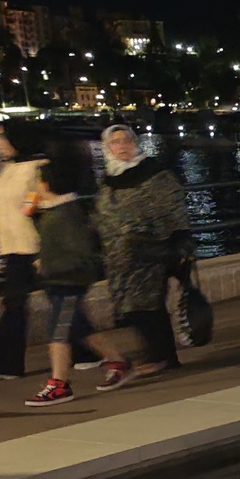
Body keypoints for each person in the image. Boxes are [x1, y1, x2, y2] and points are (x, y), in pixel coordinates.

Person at [0, 122, 99, 383]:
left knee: (24, 303)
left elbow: (51, 206)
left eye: (2, 138)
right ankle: (87, 352)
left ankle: (4, 365)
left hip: (36, 246)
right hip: (14, 246)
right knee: (57, 302)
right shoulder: (11, 167)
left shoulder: (38, 168)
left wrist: (46, 247)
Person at [24, 140, 135, 405]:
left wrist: (48, 265)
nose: (36, 187)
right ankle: (118, 362)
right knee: (80, 329)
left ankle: (59, 383)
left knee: (59, 333)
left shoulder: (65, 215)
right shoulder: (56, 213)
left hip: (66, 281)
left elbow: (78, 252)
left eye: (39, 182)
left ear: (49, 184)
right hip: (60, 280)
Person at [92, 123, 190, 384]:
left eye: (126, 140)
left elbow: (173, 207)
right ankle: (155, 354)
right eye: (115, 142)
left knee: (148, 303)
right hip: (119, 258)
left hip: (149, 251)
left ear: (135, 143)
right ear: (107, 148)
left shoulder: (153, 173)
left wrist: (180, 242)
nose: (122, 146)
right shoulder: (109, 178)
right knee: (130, 307)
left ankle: (162, 356)